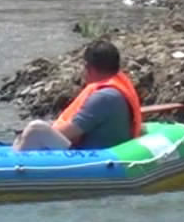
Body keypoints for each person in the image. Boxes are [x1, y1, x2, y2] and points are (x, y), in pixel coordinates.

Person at [13, 41, 142, 152]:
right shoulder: (116, 88)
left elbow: (68, 133)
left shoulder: (104, 97)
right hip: (102, 151)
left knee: (36, 129)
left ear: (89, 68)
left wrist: (31, 134)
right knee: (35, 132)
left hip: (93, 159)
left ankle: (12, 171)